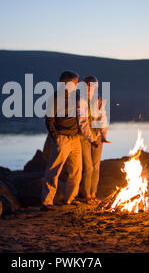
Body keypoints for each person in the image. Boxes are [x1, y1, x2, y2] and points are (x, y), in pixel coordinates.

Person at [41, 71, 99, 211]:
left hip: (75, 139)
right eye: (75, 82)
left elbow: (81, 116)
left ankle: (70, 198)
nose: (77, 84)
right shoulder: (55, 98)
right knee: (54, 170)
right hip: (62, 139)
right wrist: (55, 135)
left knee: (76, 170)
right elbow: (49, 120)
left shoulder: (76, 96)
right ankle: (47, 201)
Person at [79, 76, 109, 204]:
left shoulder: (99, 100)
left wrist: (103, 135)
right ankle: (86, 195)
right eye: (89, 86)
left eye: (94, 86)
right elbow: (82, 122)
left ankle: (93, 194)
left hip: (96, 136)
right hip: (85, 138)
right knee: (89, 167)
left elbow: (103, 118)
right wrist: (91, 139)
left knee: (96, 166)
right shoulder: (81, 101)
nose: (91, 88)